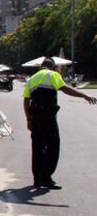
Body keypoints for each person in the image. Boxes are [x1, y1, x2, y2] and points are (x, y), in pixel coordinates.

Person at [23, 57, 97, 189]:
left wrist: (28, 119)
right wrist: (84, 95)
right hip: (47, 118)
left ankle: (37, 178)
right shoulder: (53, 74)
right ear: (53, 67)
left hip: (35, 118)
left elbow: (26, 101)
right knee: (53, 146)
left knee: (37, 148)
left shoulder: (32, 79)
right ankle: (46, 178)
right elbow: (65, 88)